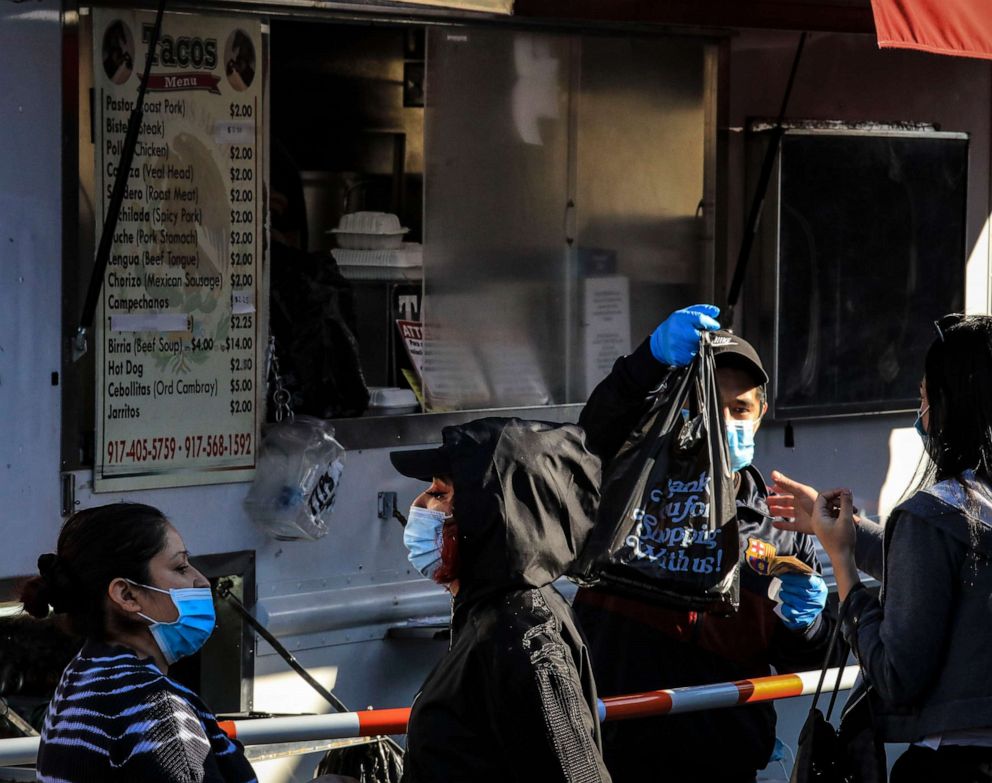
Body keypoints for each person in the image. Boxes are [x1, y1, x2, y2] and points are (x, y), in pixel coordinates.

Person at [573, 304, 833, 782]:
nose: (725, 421)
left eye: (740, 410)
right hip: (611, 757)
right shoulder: (629, 488)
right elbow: (592, 435)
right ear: (683, 409)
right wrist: (647, 362)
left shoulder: (784, 527)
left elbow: (809, 662)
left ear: (761, 417)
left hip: (724, 763)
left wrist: (810, 625)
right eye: (710, 405)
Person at [772, 313, 992, 783]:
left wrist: (844, 565)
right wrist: (846, 528)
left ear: (954, 403)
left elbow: (896, 675)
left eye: (924, 395)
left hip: (953, 766)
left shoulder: (936, 513)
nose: (921, 410)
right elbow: (941, 571)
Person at [389, 417, 612, 783]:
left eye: (440, 494)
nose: (419, 503)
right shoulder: (491, 614)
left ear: (487, 518)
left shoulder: (523, 636)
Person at [21, 503, 258, 782]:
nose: (202, 581)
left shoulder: (81, 673)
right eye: (180, 567)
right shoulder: (159, 711)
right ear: (127, 595)